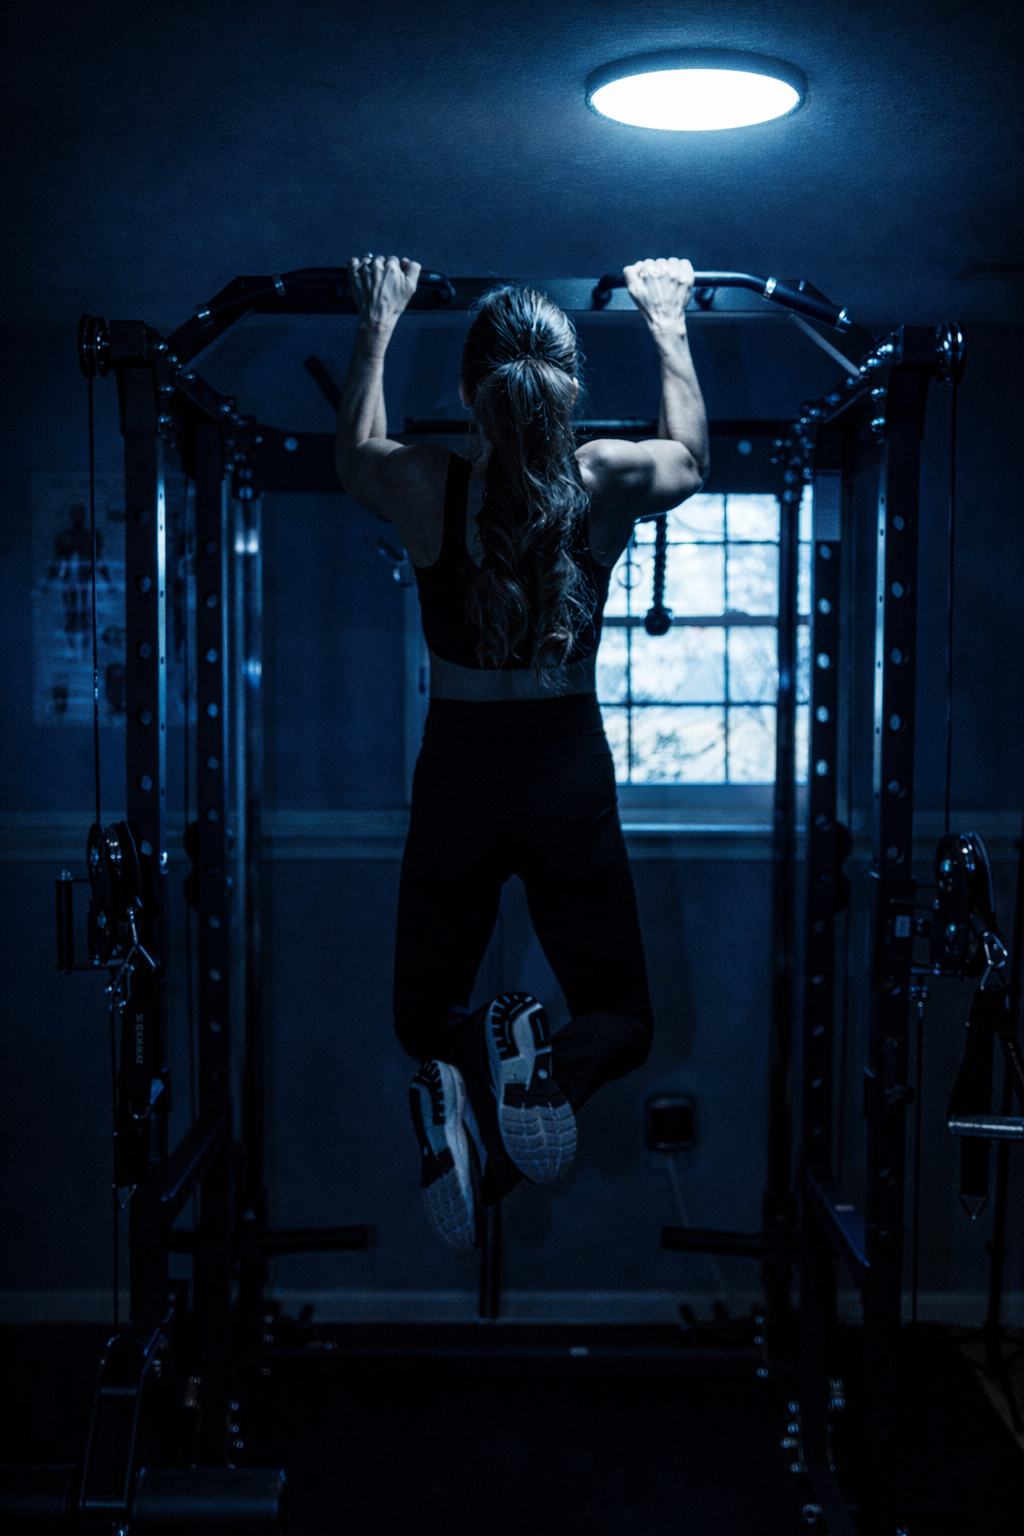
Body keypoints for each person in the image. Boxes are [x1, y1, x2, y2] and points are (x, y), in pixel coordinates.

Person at [336, 255, 709, 1250]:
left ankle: (484, 1075)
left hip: (459, 767)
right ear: (569, 388)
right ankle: (528, 1066)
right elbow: (691, 454)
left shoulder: (423, 483)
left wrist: (380, 320)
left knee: (424, 1019)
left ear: (469, 390)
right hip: (564, 769)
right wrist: (664, 319)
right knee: (623, 1020)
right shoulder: (608, 478)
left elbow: (356, 452)